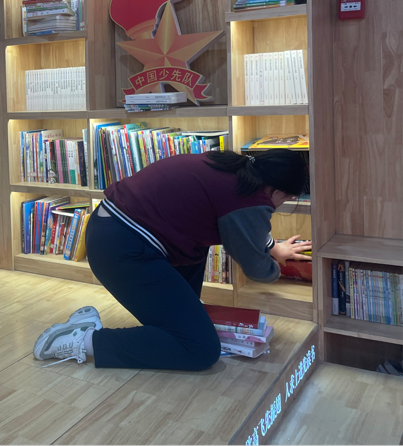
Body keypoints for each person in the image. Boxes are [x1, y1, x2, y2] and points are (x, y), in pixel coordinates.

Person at [33, 149, 311, 370]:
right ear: (278, 191)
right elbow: (257, 268)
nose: (280, 205)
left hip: (115, 232)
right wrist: (279, 269)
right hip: (124, 249)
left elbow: (243, 224)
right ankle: (80, 341)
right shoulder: (251, 200)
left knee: (186, 316)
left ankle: (90, 327)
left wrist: (273, 247)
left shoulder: (233, 167)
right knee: (200, 349)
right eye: (286, 199)